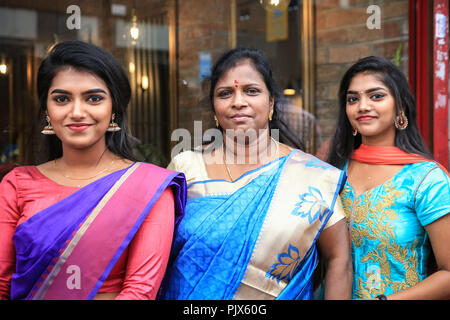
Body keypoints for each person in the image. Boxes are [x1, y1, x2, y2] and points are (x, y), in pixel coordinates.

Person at [159, 48, 352, 300]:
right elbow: (156, 253)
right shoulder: (185, 167)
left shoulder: (312, 175)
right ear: (215, 109)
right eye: (225, 93)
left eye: (251, 91)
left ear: (271, 103)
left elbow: (339, 258)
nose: (238, 101)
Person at [0, 40, 186, 300]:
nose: (77, 112)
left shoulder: (148, 187)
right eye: (62, 99)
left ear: (113, 111)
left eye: (94, 98)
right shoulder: (17, 184)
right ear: (47, 111)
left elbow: (140, 292)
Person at [327, 56, 450, 300]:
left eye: (376, 96)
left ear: (400, 106)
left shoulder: (425, 179)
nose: (362, 106)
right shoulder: (333, 172)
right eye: (353, 99)